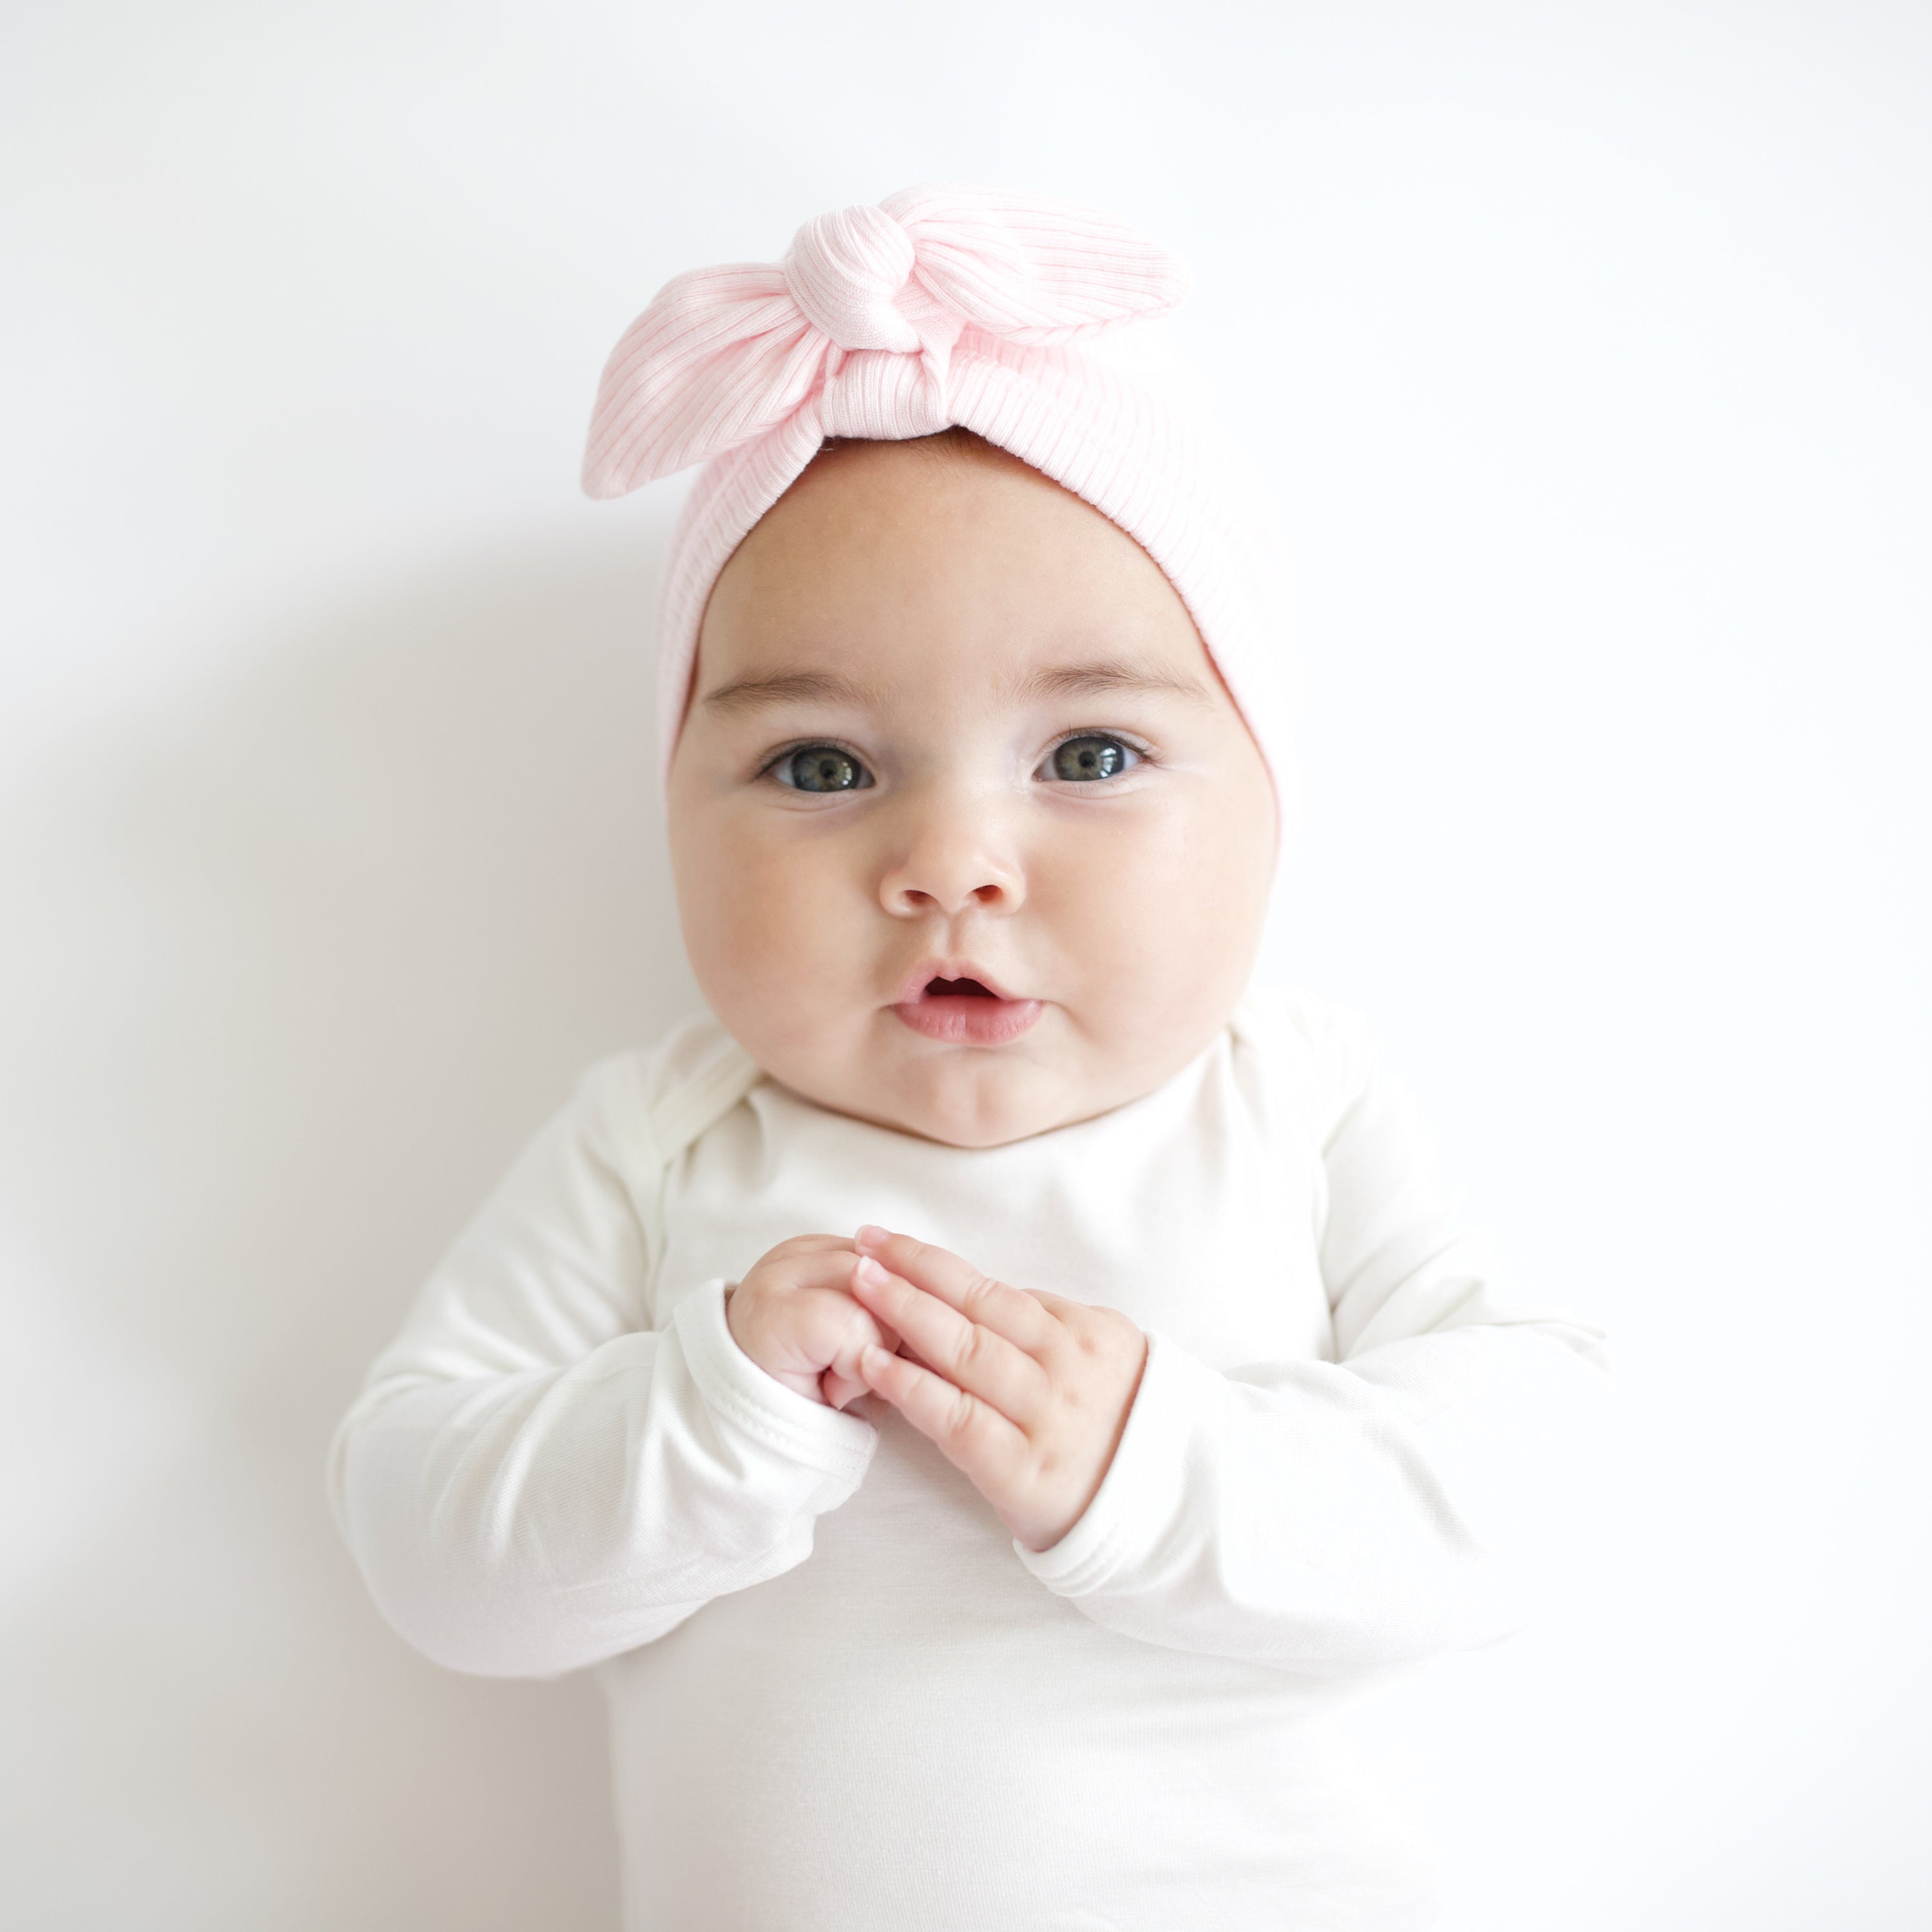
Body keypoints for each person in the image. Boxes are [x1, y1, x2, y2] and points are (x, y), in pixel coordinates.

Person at [329, 185, 1612, 1931]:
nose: (953, 861)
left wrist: (1155, 1468)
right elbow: (424, 1540)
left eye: (1087, 753)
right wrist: (705, 1423)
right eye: (821, 768)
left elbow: (1531, 1483)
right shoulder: (664, 1141)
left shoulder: (1296, 1106)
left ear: (1267, 799)